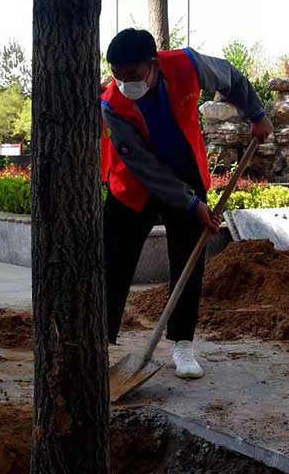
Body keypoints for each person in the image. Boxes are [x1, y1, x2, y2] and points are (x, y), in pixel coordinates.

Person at [101, 29, 273, 379]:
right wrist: (191, 204)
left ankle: (183, 344)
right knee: (112, 262)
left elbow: (231, 79)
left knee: (188, 261)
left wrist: (256, 114)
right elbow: (144, 167)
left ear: (153, 64)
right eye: (117, 75)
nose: (124, 84)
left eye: (132, 75)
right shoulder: (111, 104)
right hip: (133, 183)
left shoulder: (187, 64)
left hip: (186, 170)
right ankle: (100, 341)